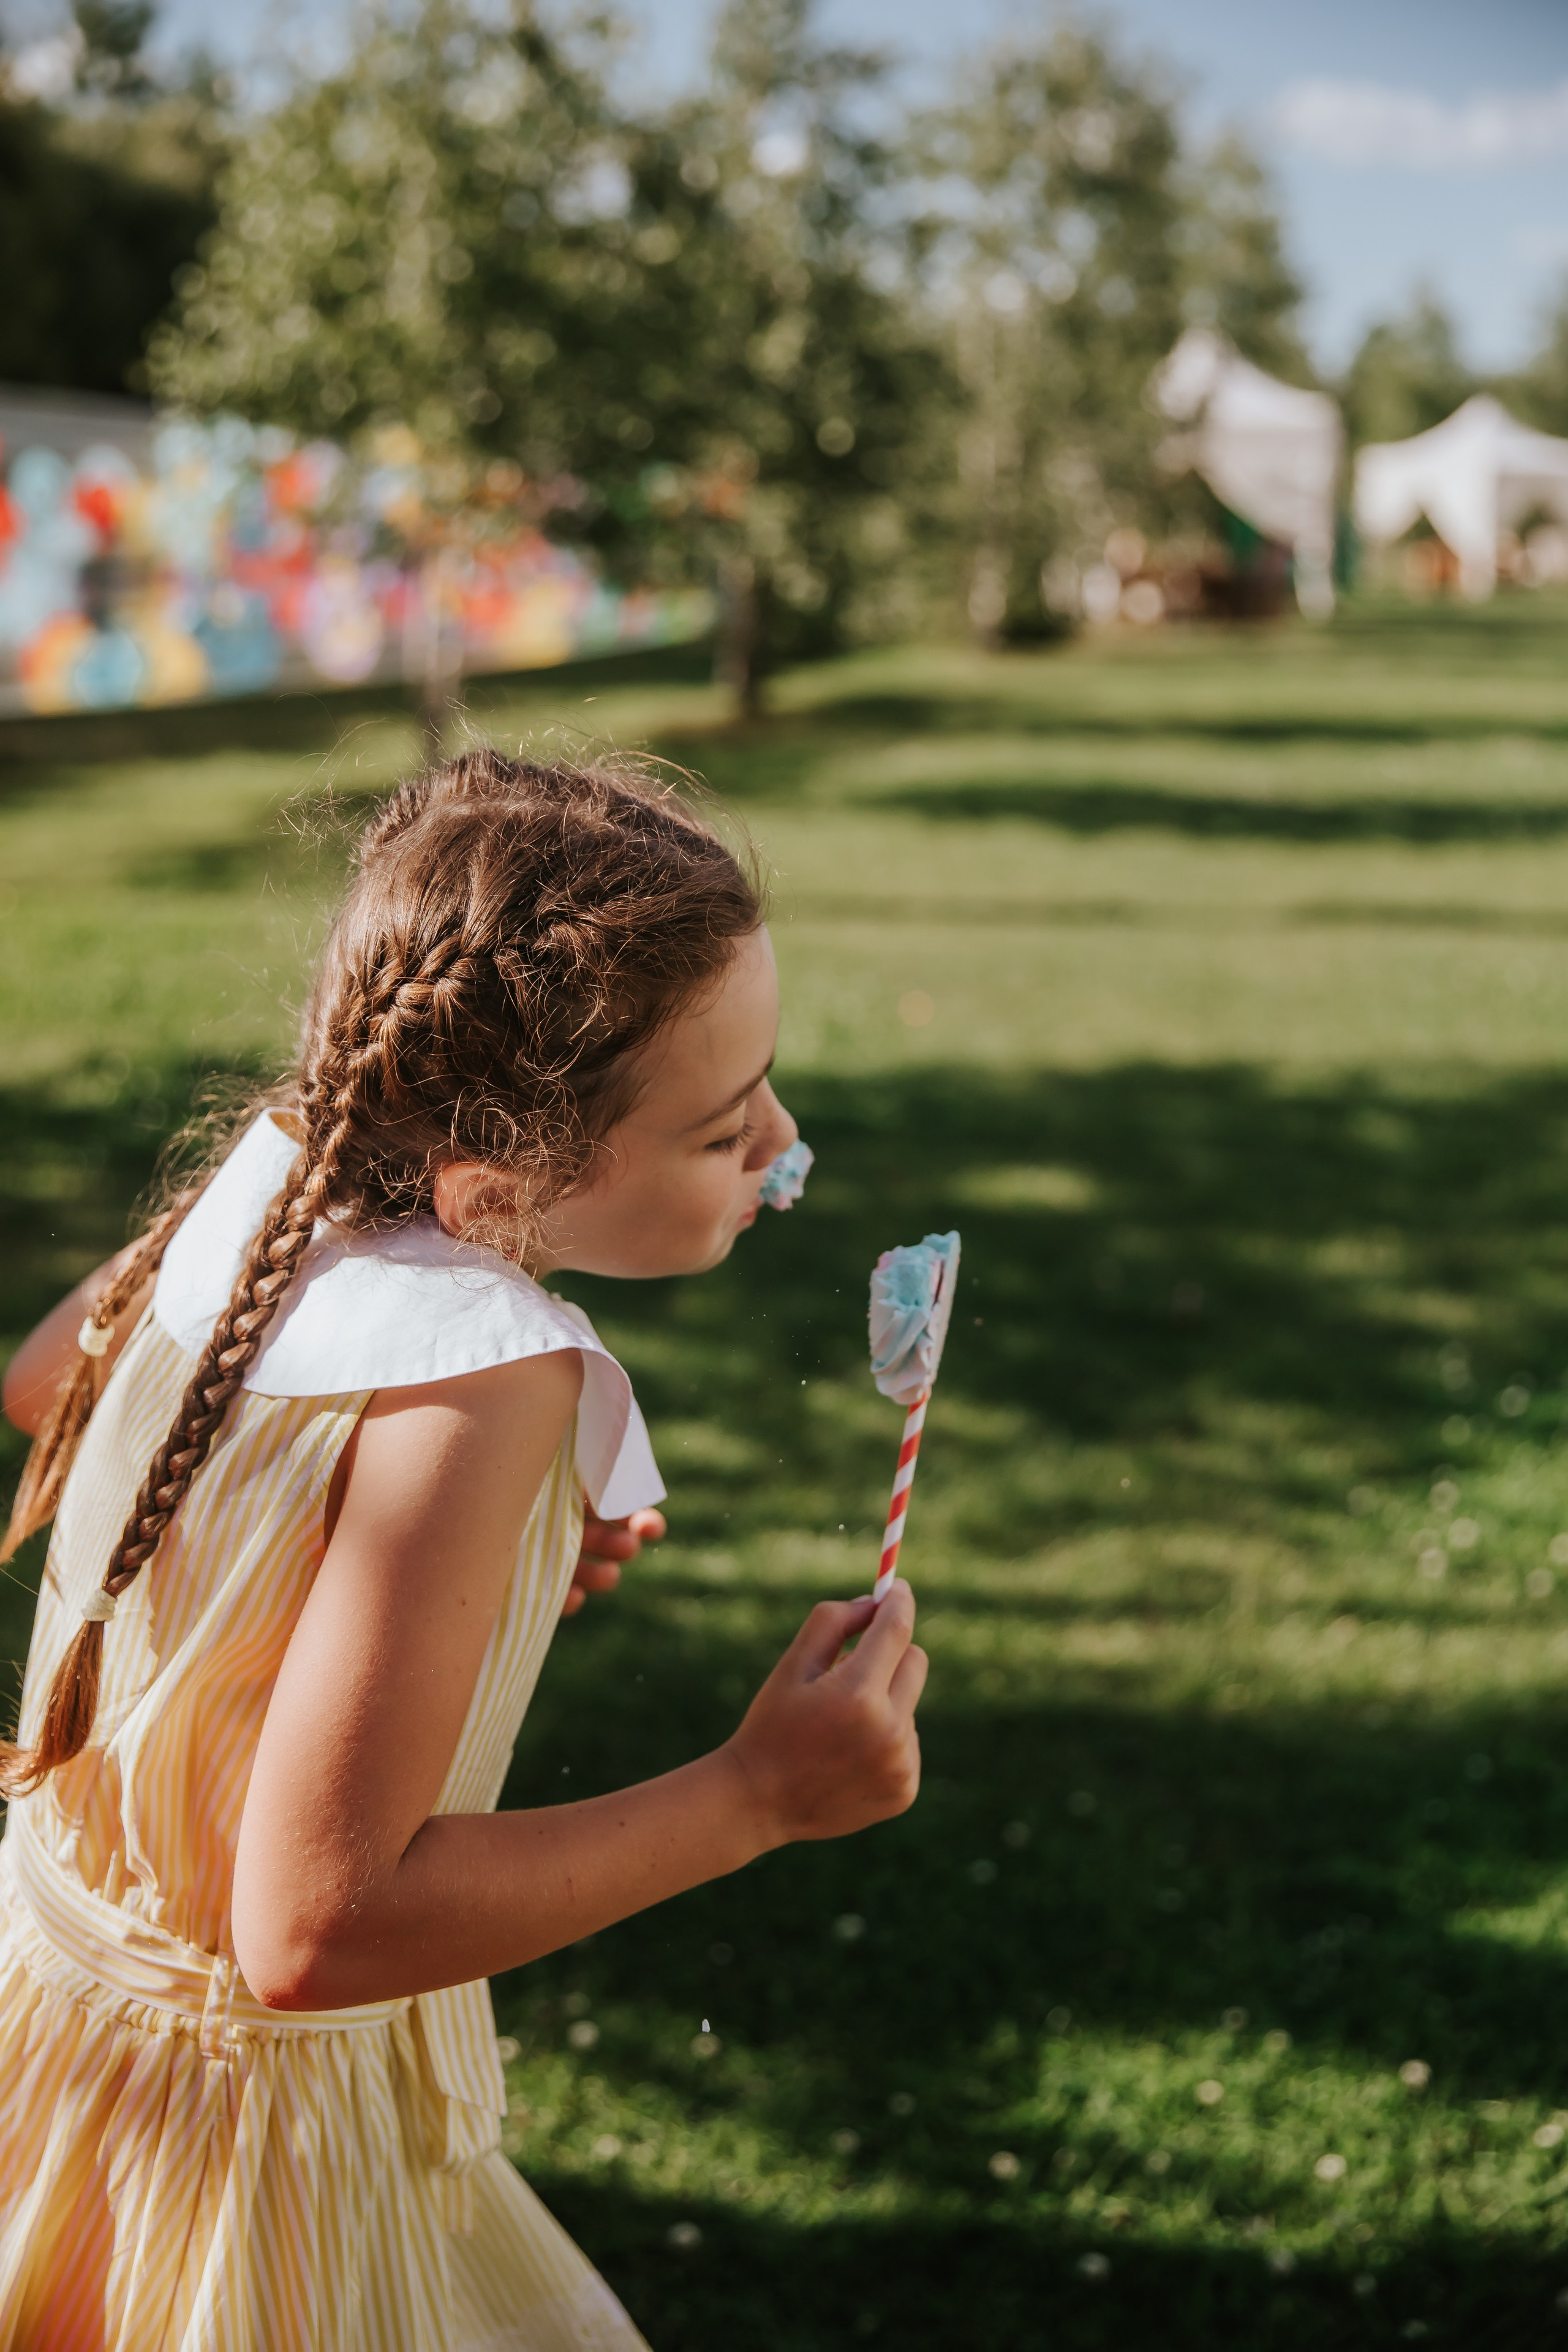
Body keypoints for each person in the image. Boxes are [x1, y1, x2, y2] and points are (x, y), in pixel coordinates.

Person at [0, 751, 926, 2351]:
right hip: (238, 2171)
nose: (783, 1142)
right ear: (503, 1185)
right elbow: (316, 1932)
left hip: (54, 2023)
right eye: (720, 1133)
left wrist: (408, 1586)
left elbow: (50, 1389)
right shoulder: (484, 1376)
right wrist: (759, 1794)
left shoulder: (289, 1162)